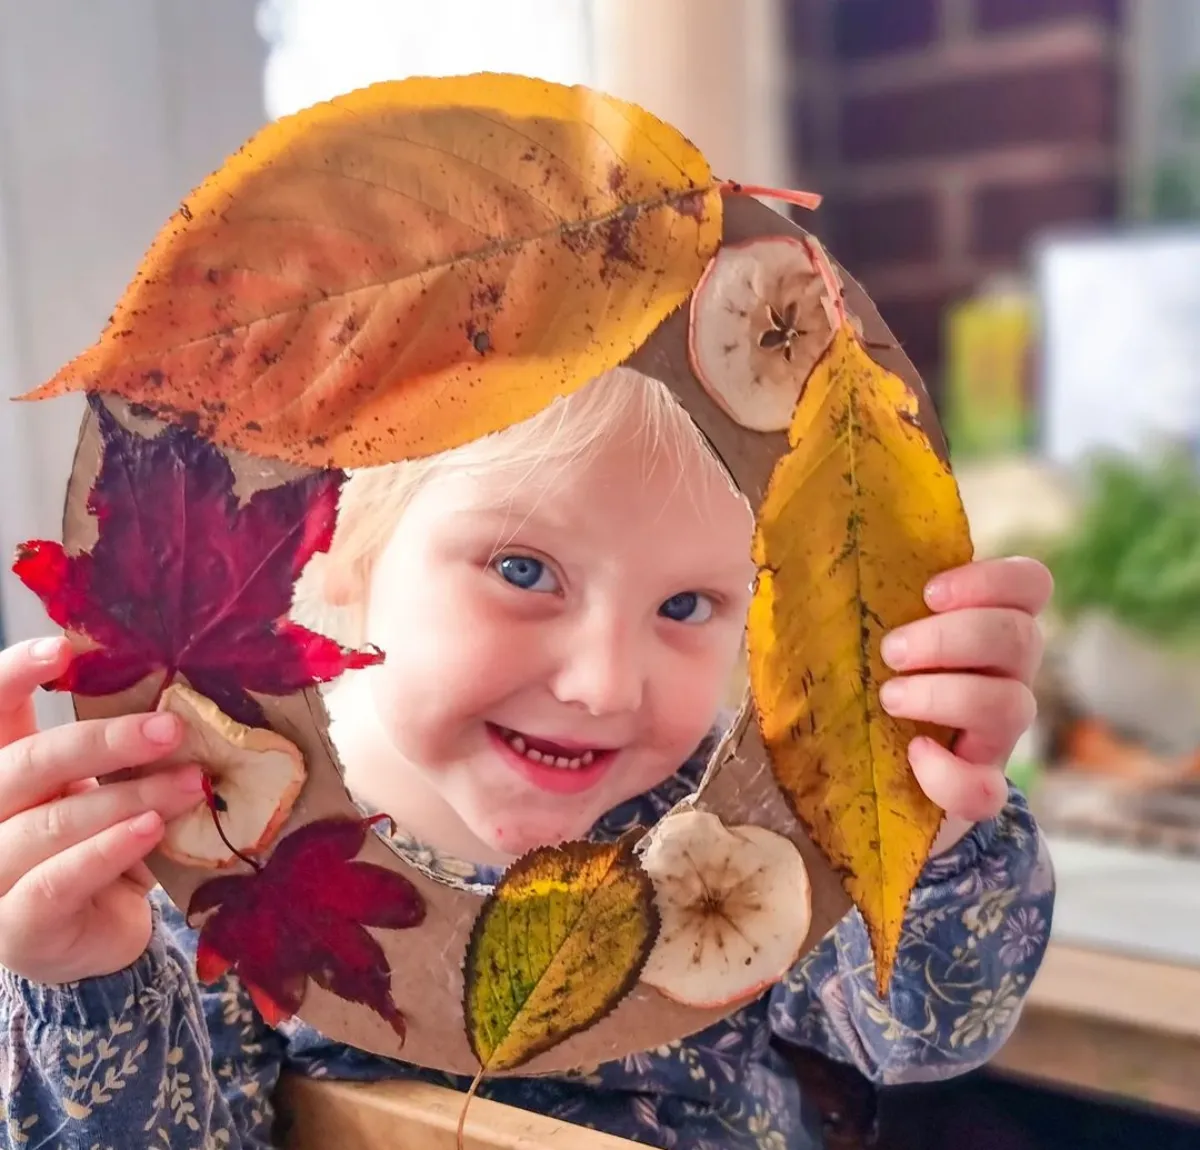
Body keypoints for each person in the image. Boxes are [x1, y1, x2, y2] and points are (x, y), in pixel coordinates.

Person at [0, 367, 1054, 1149]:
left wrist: (937, 827)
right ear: (344, 545)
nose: (605, 684)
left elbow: (922, 1032)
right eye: (522, 568)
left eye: (687, 605)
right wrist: (86, 978)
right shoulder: (220, 855)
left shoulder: (727, 829)